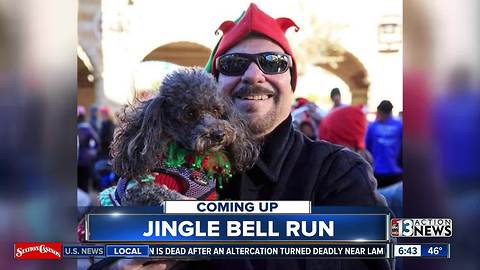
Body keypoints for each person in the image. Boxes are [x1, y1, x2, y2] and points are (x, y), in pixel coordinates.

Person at [93, 3, 389, 270]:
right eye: (234, 64)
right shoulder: (157, 170)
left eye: (273, 61)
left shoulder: (338, 173)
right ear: (215, 86)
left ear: (291, 81)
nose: (253, 75)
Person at [366, 100, 403, 187]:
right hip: (395, 171)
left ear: (380, 112)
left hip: (380, 171)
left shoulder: (372, 127)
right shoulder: (400, 126)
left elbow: (366, 147)